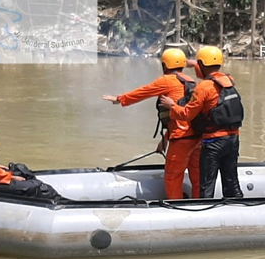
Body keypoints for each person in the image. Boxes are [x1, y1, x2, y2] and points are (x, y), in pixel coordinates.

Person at [103, 48, 201, 200]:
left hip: (181, 139)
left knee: (172, 177)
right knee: (197, 175)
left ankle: (177, 208)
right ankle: (200, 204)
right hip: (196, 137)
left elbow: (144, 91)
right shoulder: (190, 81)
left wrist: (120, 99)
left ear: (164, 65)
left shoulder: (167, 80)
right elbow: (185, 117)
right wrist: (165, 140)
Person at [159, 46, 244, 199]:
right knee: (231, 181)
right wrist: (194, 63)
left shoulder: (203, 87)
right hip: (233, 139)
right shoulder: (229, 80)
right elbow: (213, 72)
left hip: (213, 143)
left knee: (206, 184)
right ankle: (238, 208)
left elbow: (186, 114)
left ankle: (205, 215)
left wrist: (172, 105)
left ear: (202, 65)